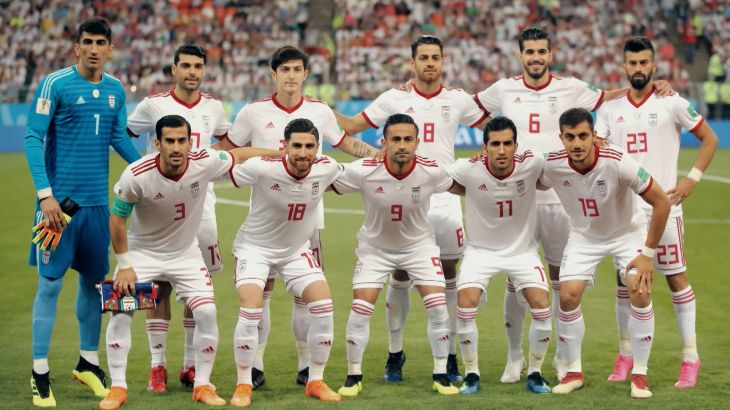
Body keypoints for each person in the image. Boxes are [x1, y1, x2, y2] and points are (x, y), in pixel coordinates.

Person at [473, 26, 673, 382]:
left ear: (550, 54)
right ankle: (514, 357)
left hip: (560, 197)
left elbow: (610, 95)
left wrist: (651, 87)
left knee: (557, 279)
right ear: (520, 56)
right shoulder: (503, 89)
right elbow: (464, 108)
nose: (536, 57)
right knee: (515, 279)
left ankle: (561, 358)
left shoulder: (572, 87)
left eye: (541, 51)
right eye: (529, 52)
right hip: (520, 195)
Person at [214, 45, 378, 388]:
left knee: (305, 294)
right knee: (263, 291)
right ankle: (255, 365)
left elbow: (346, 143)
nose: (291, 76)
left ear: (305, 74)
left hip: (308, 216)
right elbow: (227, 149)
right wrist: (193, 158)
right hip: (266, 212)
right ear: (273, 74)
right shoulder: (253, 112)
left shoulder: (319, 110)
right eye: (284, 70)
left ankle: (306, 364)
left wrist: (381, 155)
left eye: (296, 70)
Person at [335, 35, 488, 383]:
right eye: (424, 58)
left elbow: (492, 126)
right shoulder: (394, 98)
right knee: (400, 272)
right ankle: (395, 352)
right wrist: (314, 107)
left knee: (449, 274)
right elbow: (352, 126)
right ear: (413, 62)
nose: (430, 63)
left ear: (443, 61)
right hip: (401, 195)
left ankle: (449, 356)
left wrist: (489, 151)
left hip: (443, 194)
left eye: (435, 57)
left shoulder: (458, 98)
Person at [99, 115, 279, 409]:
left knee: (207, 311)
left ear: (190, 142)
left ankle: (202, 385)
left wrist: (279, 154)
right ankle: (117, 388)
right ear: (157, 143)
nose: (176, 147)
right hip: (142, 254)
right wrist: (125, 264)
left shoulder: (204, 161)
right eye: (169, 141)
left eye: (182, 140)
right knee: (120, 311)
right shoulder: (136, 174)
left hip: (185, 254)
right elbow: (117, 219)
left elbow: (239, 154)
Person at [24, 17, 141, 407]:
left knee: (94, 284)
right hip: (58, 209)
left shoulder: (115, 89)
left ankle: (88, 363)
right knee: (50, 285)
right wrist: (45, 196)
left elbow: (117, 137)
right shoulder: (55, 84)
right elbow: (33, 136)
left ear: (110, 49)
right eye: (87, 42)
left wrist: (149, 172)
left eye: (100, 43)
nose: (93, 49)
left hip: (97, 209)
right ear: (77, 47)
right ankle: (39, 373)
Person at [595, 37, 718, 388]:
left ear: (653, 65)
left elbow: (709, 138)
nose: (638, 68)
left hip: (664, 208)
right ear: (623, 66)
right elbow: (598, 143)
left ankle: (690, 357)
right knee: (625, 282)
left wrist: (692, 179)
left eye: (644, 62)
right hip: (626, 211)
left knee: (676, 278)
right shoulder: (610, 108)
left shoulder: (671, 102)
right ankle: (625, 355)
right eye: (632, 63)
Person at [540, 108, 670, 398]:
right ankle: (573, 372)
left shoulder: (617, 160)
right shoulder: (551, 165)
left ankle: (640, 375)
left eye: (583, 136)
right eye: (570, 137)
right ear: (561, 138)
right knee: (568, 295)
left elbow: (662, 202)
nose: (577, 143)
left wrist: (647, 254)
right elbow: (523, 174)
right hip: (584, 237)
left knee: (639, 290)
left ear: (594, 135)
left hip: (627, 233)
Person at [126, 43, 231, 393]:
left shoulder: (214, 107)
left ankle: (190, 364)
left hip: (202, 206)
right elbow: (122, 134)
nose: (192, 72)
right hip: (158, 206)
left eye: (198, 66)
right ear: (174, 69)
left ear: (204, 70)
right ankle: (157, 366)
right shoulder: (153, 105)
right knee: (158, 286)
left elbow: (228, 142)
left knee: (197, 286)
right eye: (185, 65)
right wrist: (140, 169)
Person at [332, 114, 461, 397]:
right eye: (396, 139)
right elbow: (325, 182)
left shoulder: (432, 171)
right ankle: (353, 375)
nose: (402, 145)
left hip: (419, 247)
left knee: (438, 306)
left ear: (417, 142)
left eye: (407, 139)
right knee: (361, 307)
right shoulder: (363, 170)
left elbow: (466, 186)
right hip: (375, 249)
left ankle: (441, 374)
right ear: (384, 142)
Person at [227, 118, 343, 407]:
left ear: (318, 147)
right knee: (251, 310)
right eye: (297, 146)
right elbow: (228, 163)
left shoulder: (327, 167)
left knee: (324, 307)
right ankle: (244, 384)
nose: (303, 153)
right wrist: (267, 154)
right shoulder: (262, 167)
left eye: (309, 146)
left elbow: (357, 177)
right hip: (254, 249)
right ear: (285, 146)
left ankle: (315, 380)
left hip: (294, 251)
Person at [448, 117, 552, 395]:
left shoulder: (532, 163)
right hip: (480, 252)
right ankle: (471, 373)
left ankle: (535, 372)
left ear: (516, 146)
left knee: (541, 304)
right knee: (465, 301)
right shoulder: (467, 168)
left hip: (522, 251)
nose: (502, 150)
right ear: (484, 148)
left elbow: (565, 160)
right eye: (495, 144)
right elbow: (439, 180)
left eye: (508, 144)